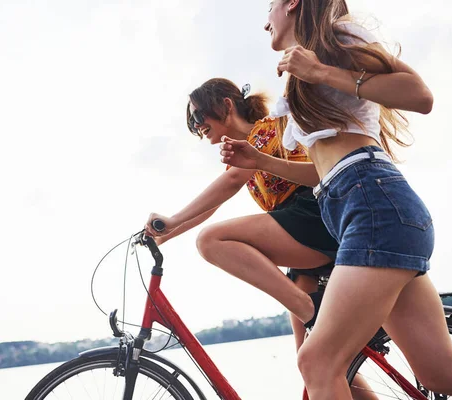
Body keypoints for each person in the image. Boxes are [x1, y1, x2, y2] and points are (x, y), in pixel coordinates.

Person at [219, 0, 452, 398]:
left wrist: (320, 71)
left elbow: (420, 95)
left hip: (373, 204)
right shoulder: (298, 74)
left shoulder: (339, 37)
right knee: (443, 376)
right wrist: (262, 160)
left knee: (317, 363)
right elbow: (322, 170)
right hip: (358, 208)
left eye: (269, 6)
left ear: (293, 3)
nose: (266, 20)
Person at [144, 77, 341, 381]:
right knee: (315, 366)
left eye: (198, 117)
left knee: (211, 240)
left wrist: (172, 218)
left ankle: (308, 308)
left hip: (313, 215)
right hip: (298, 229)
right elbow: (213, 205)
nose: (197, 126)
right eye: (192, 122)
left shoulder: (266, 130)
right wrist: (165, 234)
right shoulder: (243, 156)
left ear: (225, 105)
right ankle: (310, 312)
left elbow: (231, 183)